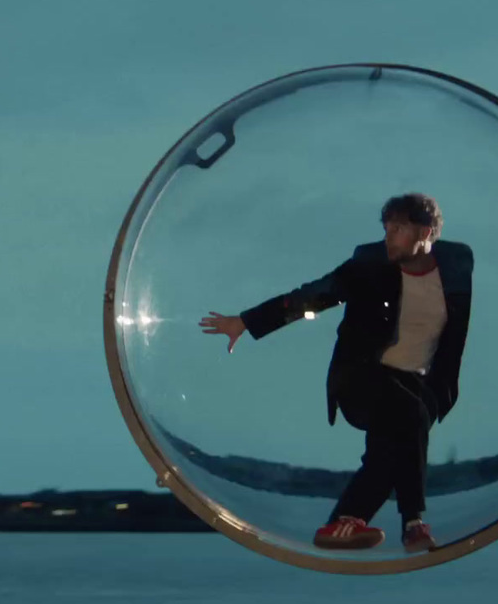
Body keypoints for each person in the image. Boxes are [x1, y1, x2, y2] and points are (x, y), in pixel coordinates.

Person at [197, 193, 473, 553]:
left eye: (399, 228)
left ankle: (351, 525)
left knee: (393, 443)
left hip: (416, 387)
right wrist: (247, 322)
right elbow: (315, 294)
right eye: (386, 228)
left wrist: (438, 392)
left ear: (427, 232)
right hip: (362, 379)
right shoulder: (369, 264)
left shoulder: (456, 263)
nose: (388, 236)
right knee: (407, 415)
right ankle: (408, 523)